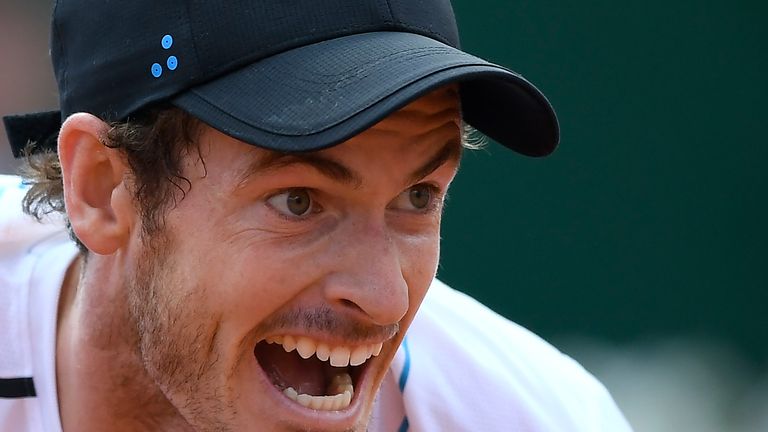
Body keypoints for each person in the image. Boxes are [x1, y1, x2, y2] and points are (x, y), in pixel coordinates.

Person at [0, 0, 632, 431]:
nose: (385, 301)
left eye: (418, 197)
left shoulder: (535, 415)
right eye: (298, 202)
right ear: (104, 189)